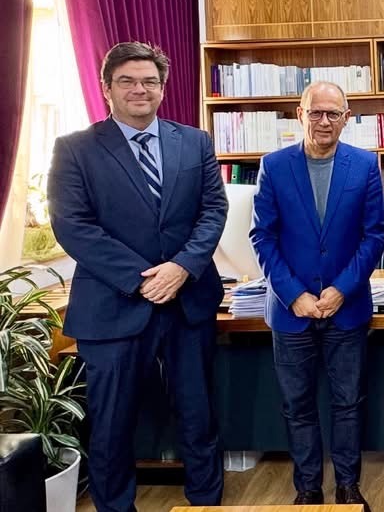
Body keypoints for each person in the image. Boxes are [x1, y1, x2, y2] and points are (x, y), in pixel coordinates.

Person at [48, 42, 227, 511]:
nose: (139, 89)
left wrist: (182, 267)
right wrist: (143, 278)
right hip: (114, 305)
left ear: (163, 88)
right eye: (126, 80)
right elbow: (72, 225)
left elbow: (213, 209)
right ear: (106, 88)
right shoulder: (75, 149)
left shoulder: (195, 142)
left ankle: (206, 502)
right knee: (112, 424)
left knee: (199, 415)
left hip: (188, 302)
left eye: (149, 81)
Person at [250, 81, 384, 509]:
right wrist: (294, 295)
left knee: (348, 402)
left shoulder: (365, 165)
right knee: (298, 405)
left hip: (347, 308)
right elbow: (262, 237)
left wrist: (342, 289)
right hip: (292, 311)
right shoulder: (274, 165)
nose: (324, 121)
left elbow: (374, 236)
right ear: (300, 114)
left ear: (347, 117)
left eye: (333, 113)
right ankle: (307, 489)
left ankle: (348, 486)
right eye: (316, 112)